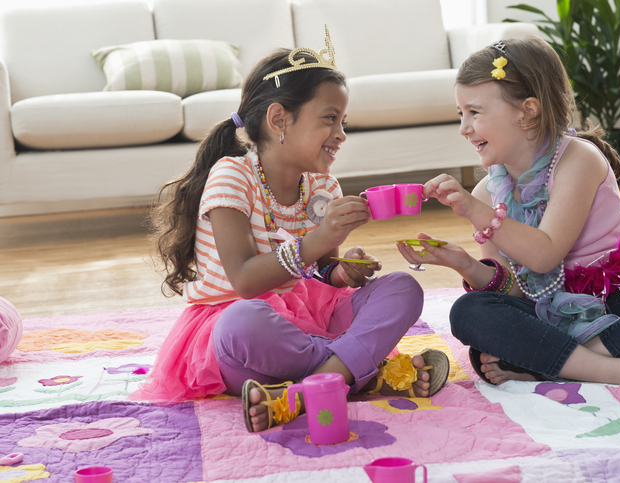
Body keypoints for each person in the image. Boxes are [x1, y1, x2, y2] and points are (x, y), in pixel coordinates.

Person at [131, 28, 450, 432]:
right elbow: (245, 280)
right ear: (279, 119)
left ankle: (300, 393)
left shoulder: (322, 186)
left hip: (308, 320)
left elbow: (319, 272)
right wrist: (319, 239)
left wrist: (341, 271)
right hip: (247, 339)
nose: (341, 134)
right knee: (242, 322)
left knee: (402, 288)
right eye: (330, 120)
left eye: (343, 121)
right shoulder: (232, 176)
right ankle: (366, 372)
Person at [397, 36, 620, 387]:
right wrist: (464, 264)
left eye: (474, 113)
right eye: (460, 114)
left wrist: (477, 212)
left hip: (616, 297)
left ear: (528, 111)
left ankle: (548, 364)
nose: (464, 128)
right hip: (543, 310)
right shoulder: (486, 193)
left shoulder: (577, 159)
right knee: (469, 313)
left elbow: (545, 253)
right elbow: (516, 291)